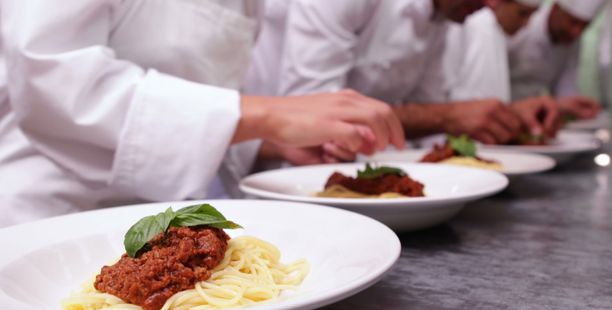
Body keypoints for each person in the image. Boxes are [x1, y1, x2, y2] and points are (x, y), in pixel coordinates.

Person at [0, 1, 405, 226]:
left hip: (169, 227)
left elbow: (202, 93)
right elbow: (54, 79)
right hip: (52, 216)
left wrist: (262, 143)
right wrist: (264, 115)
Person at [246, 0, 560, 149]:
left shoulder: (444, 18)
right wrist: (449, 116)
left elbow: (425, 107)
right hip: (268, 166)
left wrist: (498, 120)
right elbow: (315, 115)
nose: (492, 5)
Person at [508, 0, 606, 119]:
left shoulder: (572, 41)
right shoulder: (521, 24)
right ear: (555, 9)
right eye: (573, 22)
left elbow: (566, 90)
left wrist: (575, 107)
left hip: (535, 115)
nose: (576, 32)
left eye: (585, 26)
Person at [444, 0, 543, 102]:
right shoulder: (479, 22)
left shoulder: (495, 29)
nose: (526, 24)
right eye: (523, 13)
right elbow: (475, 100)